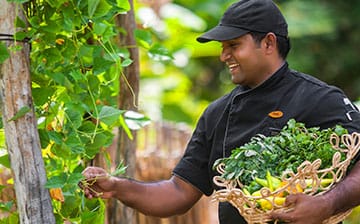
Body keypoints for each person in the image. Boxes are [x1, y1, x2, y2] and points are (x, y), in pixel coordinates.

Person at [80, 0, 360, 223]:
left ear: (269, 43)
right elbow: (178, 193)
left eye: (233, 45)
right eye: (223, 47)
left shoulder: (319, 99)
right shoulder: (218, 113)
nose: (223, 55)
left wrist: (326, 204)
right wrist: (117, 186)